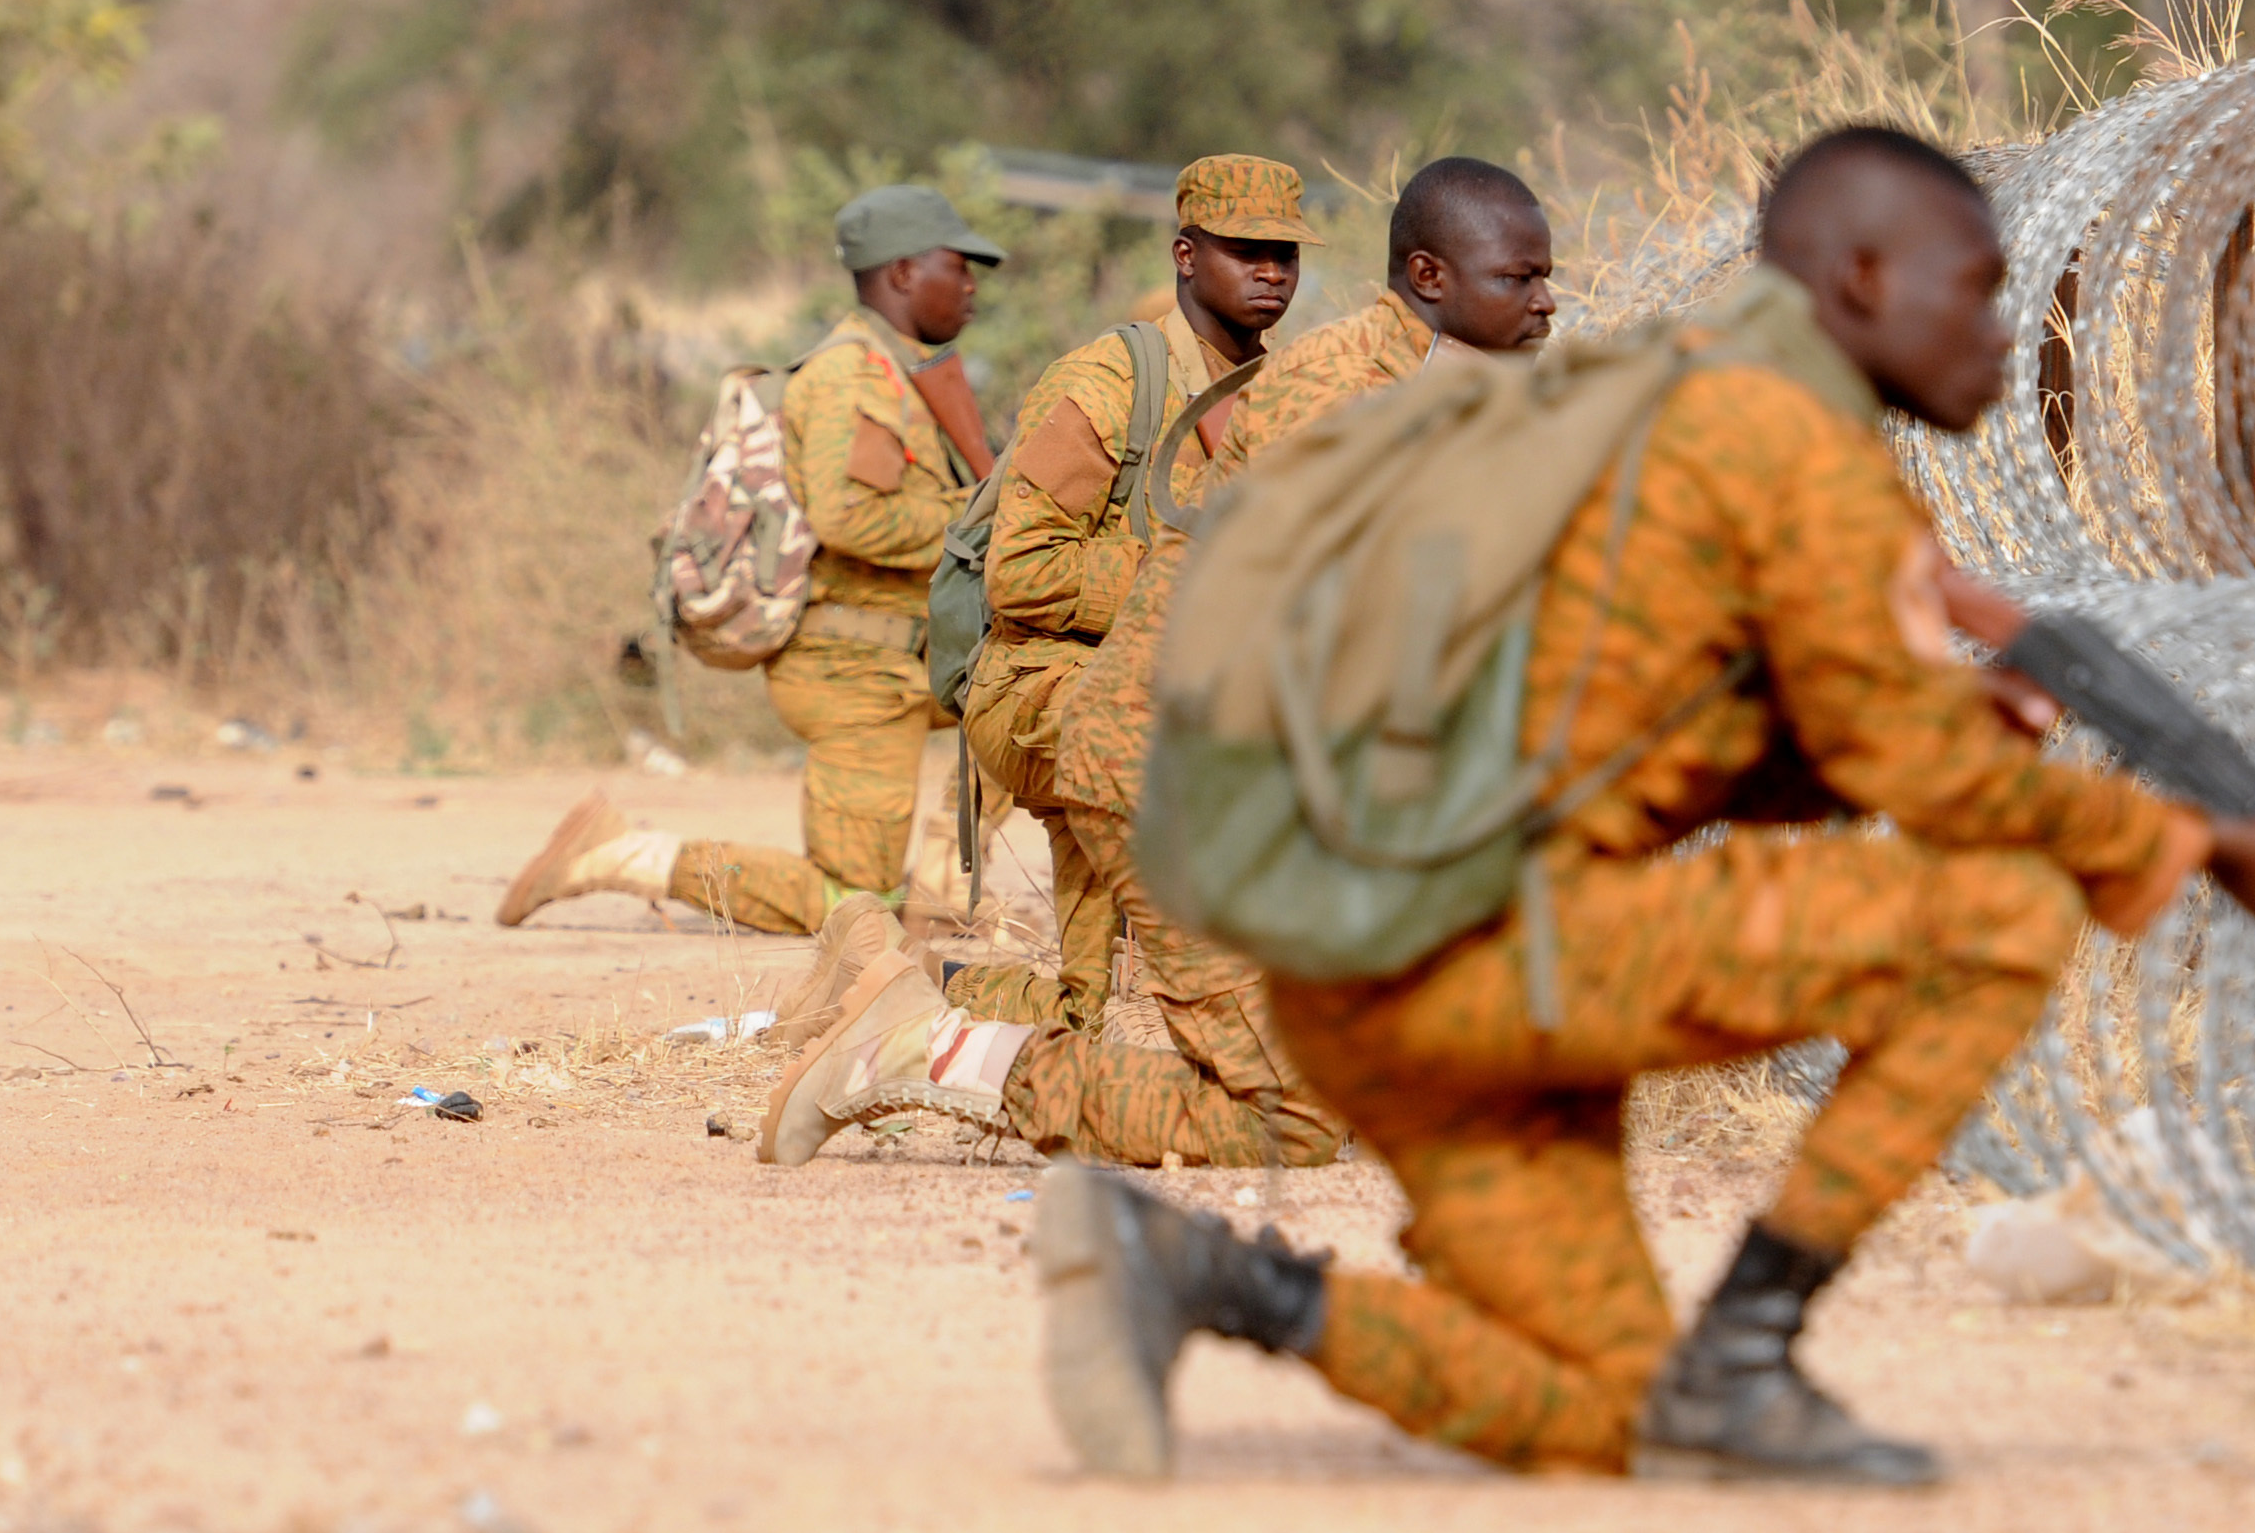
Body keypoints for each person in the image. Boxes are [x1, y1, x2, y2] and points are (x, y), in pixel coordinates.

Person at [1030, 126, 2255, 1486]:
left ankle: (1215, 1281)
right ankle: (1752, 1351)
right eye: (1981, 291)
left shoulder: (1669, 397)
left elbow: (1699, 733)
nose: (2006, 336)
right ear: (1867, 283)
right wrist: (2205, 845)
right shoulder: (1776, 442)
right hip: (1479, 946)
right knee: (1997, 912)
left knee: (1611, 1417)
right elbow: (1926, 781)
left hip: (1389, 970)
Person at [753, 158, 1564, 1173]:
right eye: (1516, 278)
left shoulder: (1352, 384)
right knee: (1279, 1107)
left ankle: (918, 1003)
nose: (1544, 300)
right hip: (1098, 720)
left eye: (1285, 254)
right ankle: (914, 1039)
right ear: (1431, 277)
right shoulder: (1206, 385)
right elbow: (1032, 575)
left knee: (1118, 1014)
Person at [497, 184, 1007, 938]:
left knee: (1042, 697)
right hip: (854, 673)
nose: (970, 286)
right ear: (902, 273)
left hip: (907, 658)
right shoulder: (851, 376)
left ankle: (942, 882)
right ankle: (622, 854)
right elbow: (851, 515)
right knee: (849, 906)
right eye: (957, 267)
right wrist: (985, 522)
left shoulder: (900, 371)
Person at [947, 153, 1313, 1035]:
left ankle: (907, 983)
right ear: (1186, 256)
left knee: (1079, 1011)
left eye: (1287, 254)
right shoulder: (1110, 383)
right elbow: (1022, 571)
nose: (1272, 271)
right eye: (1245, 249)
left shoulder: (1290, 402)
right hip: (1040, 686)